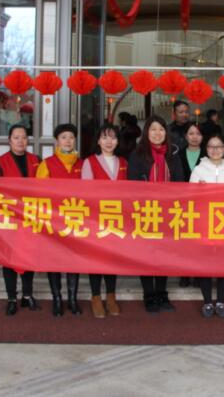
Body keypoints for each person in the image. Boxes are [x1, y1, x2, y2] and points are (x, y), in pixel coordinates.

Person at [128, 115, 185, 313]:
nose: (157, 133)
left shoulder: (173, 154)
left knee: (164, 254)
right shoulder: (137, 154)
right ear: (147, 132)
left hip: (168, 213)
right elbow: (132, 184)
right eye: (153, 129)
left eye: (161, 129)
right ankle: (149, 295)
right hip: (145, 212)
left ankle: (161, 293)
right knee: (145, 255)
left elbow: (180, 182)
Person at [0, 124, 42, 316]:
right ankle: (11, 297)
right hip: (9, 217)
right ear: (9, 140)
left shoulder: (36, 160)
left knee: (29, 256)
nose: (21, 141)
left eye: (24, 137)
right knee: (9, 258)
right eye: (16, 137)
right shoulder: (0, 162)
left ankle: (27, 295)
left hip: (30, 216)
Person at [190, 134, 224, 318]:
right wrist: (198, 189)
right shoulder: (198, 170)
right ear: (206, 149)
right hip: (204, 223)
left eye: (218, 146)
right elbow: (189, 196)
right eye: (211, 146)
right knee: (204, 263)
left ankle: (220, 300)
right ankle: (207, 301)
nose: (215, 150)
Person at [37, 123, 84, 317]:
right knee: (54, 259)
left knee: (74, 260)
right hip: (53, 221)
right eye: (64, 137)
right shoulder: (47, 164)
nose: (68, 141)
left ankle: (72, 299)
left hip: (76, 219)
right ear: (57, 141)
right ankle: (57, 298)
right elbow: (39, 193)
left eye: (71, 137)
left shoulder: (83, 164)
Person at [82, 123, 126, 317]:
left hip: (116, 220)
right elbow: (86, 193)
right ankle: (95, 297)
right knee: (95, 259)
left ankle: (110, 296)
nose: (109, 141)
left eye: (113, 137)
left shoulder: (124, 162)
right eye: (105, 137)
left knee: (111, 259)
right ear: (98, 141)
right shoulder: (90, 162)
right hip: (95, 219)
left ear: (118, 141)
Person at [174, 122, 205, 288]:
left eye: (198, 134)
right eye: (191, 133)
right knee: (184, 241)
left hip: (203, 205)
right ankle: (184, 273)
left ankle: (199, 273)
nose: (194, 137)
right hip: (183, 203)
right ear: (185, 136)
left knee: (200, 240)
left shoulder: (208, 154)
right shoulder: (177, 155)